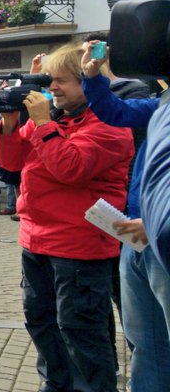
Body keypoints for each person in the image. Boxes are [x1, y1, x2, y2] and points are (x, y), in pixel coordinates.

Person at [0, 43, 134, 392]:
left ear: (88, 82)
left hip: (79, 247)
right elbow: (11, 164)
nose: (52, 88)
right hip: (36, 241)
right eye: (49, 80)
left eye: (62, 81)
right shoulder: (56, 121)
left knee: (81, 332)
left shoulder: (110, 122)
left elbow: (71, 168)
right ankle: (54, 384)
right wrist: (11, 123)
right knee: (41, 323)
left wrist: (41, 122)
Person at [79, 40, 169, 391]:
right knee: (146, 344)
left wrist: (158, 222)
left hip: (160, 237)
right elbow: (115, 112)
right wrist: (92, 75)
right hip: (137, 241)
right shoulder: (162, 104)